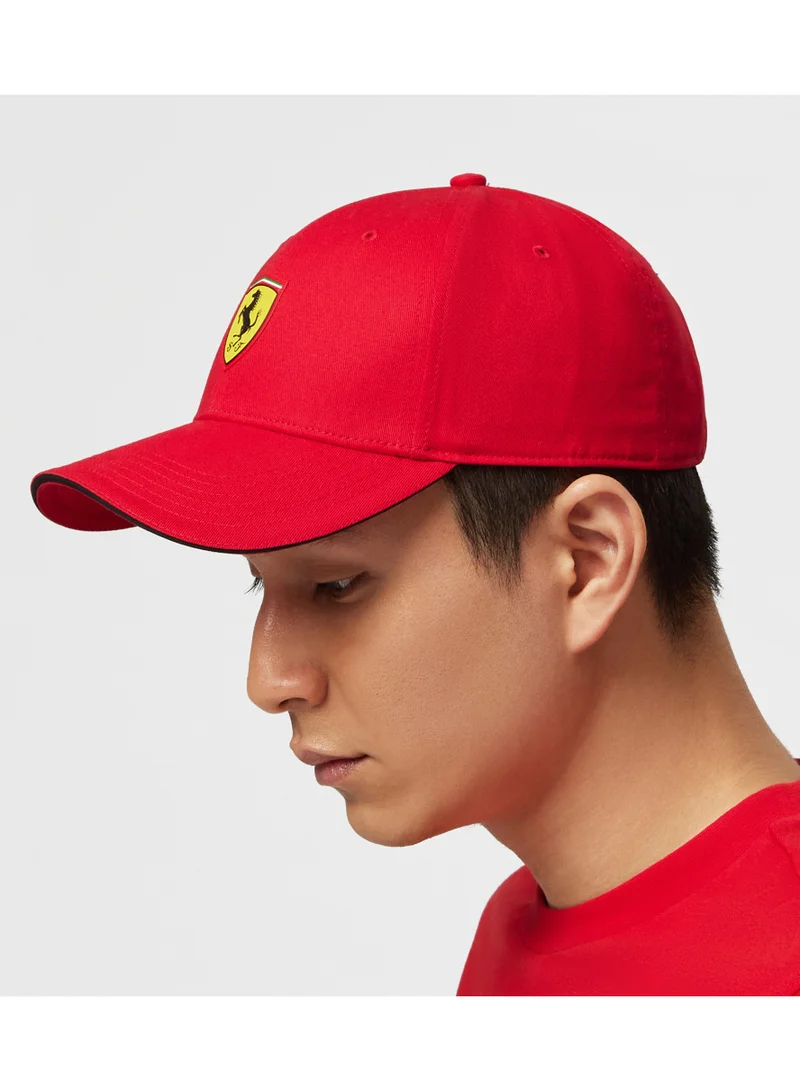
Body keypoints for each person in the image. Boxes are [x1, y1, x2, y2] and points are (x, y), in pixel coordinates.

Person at [29, 172, 800, 996]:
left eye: (336, 584)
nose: (268, 680)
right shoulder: (533, 922)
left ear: (588, 560)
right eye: (260, 585)